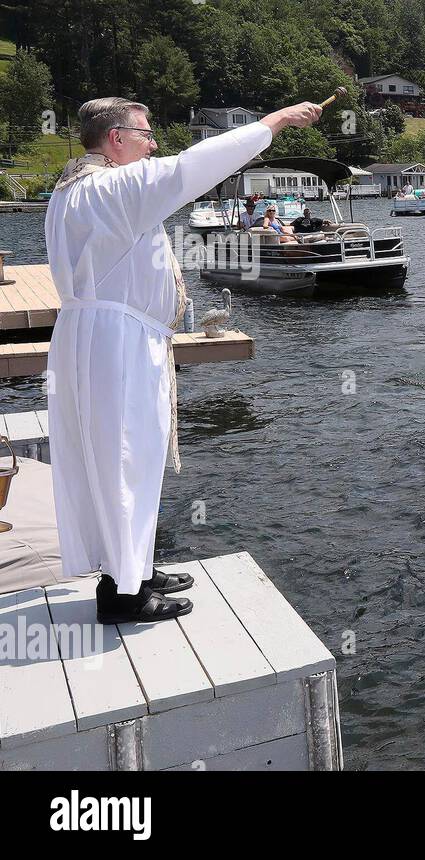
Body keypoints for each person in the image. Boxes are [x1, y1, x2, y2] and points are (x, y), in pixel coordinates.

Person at [45, 95, 321, 624]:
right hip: (117, 341)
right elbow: (191, 167)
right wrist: (274, 121)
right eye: (145, 135)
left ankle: (135, 568)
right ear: (116, 139)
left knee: (126, 457)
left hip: (102, 335)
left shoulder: (73, 188)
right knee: (124, 458)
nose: (153, 145)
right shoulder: (113, 187)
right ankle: (123, 595)